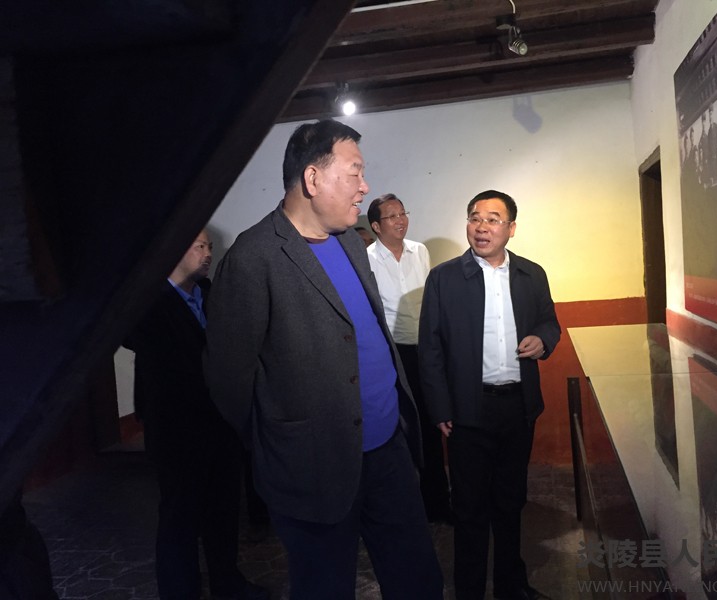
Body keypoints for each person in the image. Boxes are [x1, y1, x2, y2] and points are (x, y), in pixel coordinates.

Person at [203, 119, 443, 600]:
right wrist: (282, 440)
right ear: (312, 179)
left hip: (387, 451)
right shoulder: (253, 258)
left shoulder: (351, 239)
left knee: (418, 579)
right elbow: (229, 381)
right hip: (312, 467)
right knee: (324, 588)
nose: (365, 186)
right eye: (355, 172)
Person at [419, 190, 561, 600]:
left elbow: (550, 322)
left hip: (517, 407)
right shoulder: (444, 278)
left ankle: (511, 585)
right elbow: (430, 348)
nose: (481, 227)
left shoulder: (532, 274)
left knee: (511, 501)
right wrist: (440, 408)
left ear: (511, 228)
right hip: (467, 412)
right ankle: (469, 590)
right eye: (475, 218)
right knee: (469, 508)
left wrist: (542, 340)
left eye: (493, 219)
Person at [124, 231, 268, 600]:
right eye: (199, 246)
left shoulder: (207, 292)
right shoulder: (149, 302)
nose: (208, 254)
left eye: (210, 247)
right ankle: (180, 591)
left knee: (223, 511)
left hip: (220, 423)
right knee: (180, 517)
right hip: (178, 430)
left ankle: (227, 582)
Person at [366, 193, 452, 523]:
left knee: (433, 425)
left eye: (403, 213)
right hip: (393, 354)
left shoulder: (420, 251)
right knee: (399, 429)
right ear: (376, 226)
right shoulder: (367, 259)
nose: (401, 220)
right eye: (392, 216)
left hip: (427, 349)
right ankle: (403, 504)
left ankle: (437, 502)